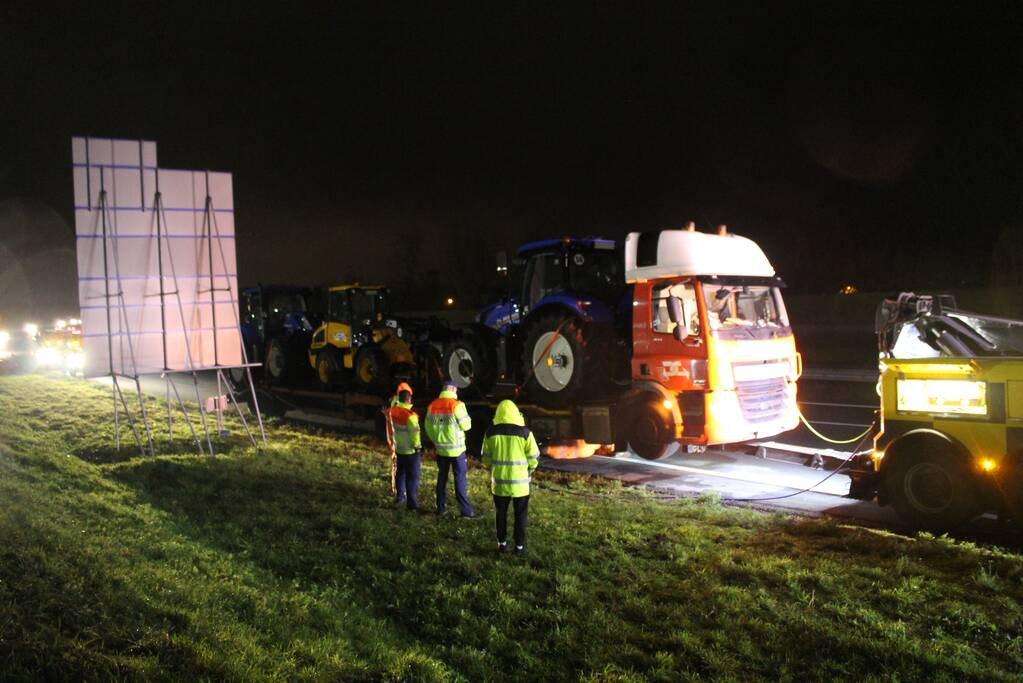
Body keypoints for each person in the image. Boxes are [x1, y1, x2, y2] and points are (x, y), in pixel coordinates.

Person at [481, 399, 539, 554]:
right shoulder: (525, 433)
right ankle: (519, 547)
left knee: (501, 514)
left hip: (499, 484)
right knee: (520, 516)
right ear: (516, 413)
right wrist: (530, 469)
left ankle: (502, 544)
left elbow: (485, 458)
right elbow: (534, 457)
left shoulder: (490, 432)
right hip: (520, 485)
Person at [425, 382, 475, 518]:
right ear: (453, 389)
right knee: (459, 479)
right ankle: (465, 511)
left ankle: (440, 509)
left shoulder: (432, 405)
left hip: (441, 450)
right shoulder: (457, 405)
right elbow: (467, 426)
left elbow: (428, 428)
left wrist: (437, 441)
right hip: (457, 451)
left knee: (442, 478)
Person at [386, 387, 421, 510]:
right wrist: (417, 447)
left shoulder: (392, 411)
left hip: (399, 449)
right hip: (411, 451)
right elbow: (415, 435)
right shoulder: (411, 416)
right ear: (409, 399)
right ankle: (412, 504)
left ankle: (400, 496)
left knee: (400, 473)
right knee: (412, 477)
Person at [384, 382, 414, 496]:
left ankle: (397, 490)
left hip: (394, 439)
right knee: (399, 467)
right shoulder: (399, 404)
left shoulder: (393, 402)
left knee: (398, 467)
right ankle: (397, 490)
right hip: (399, 441)